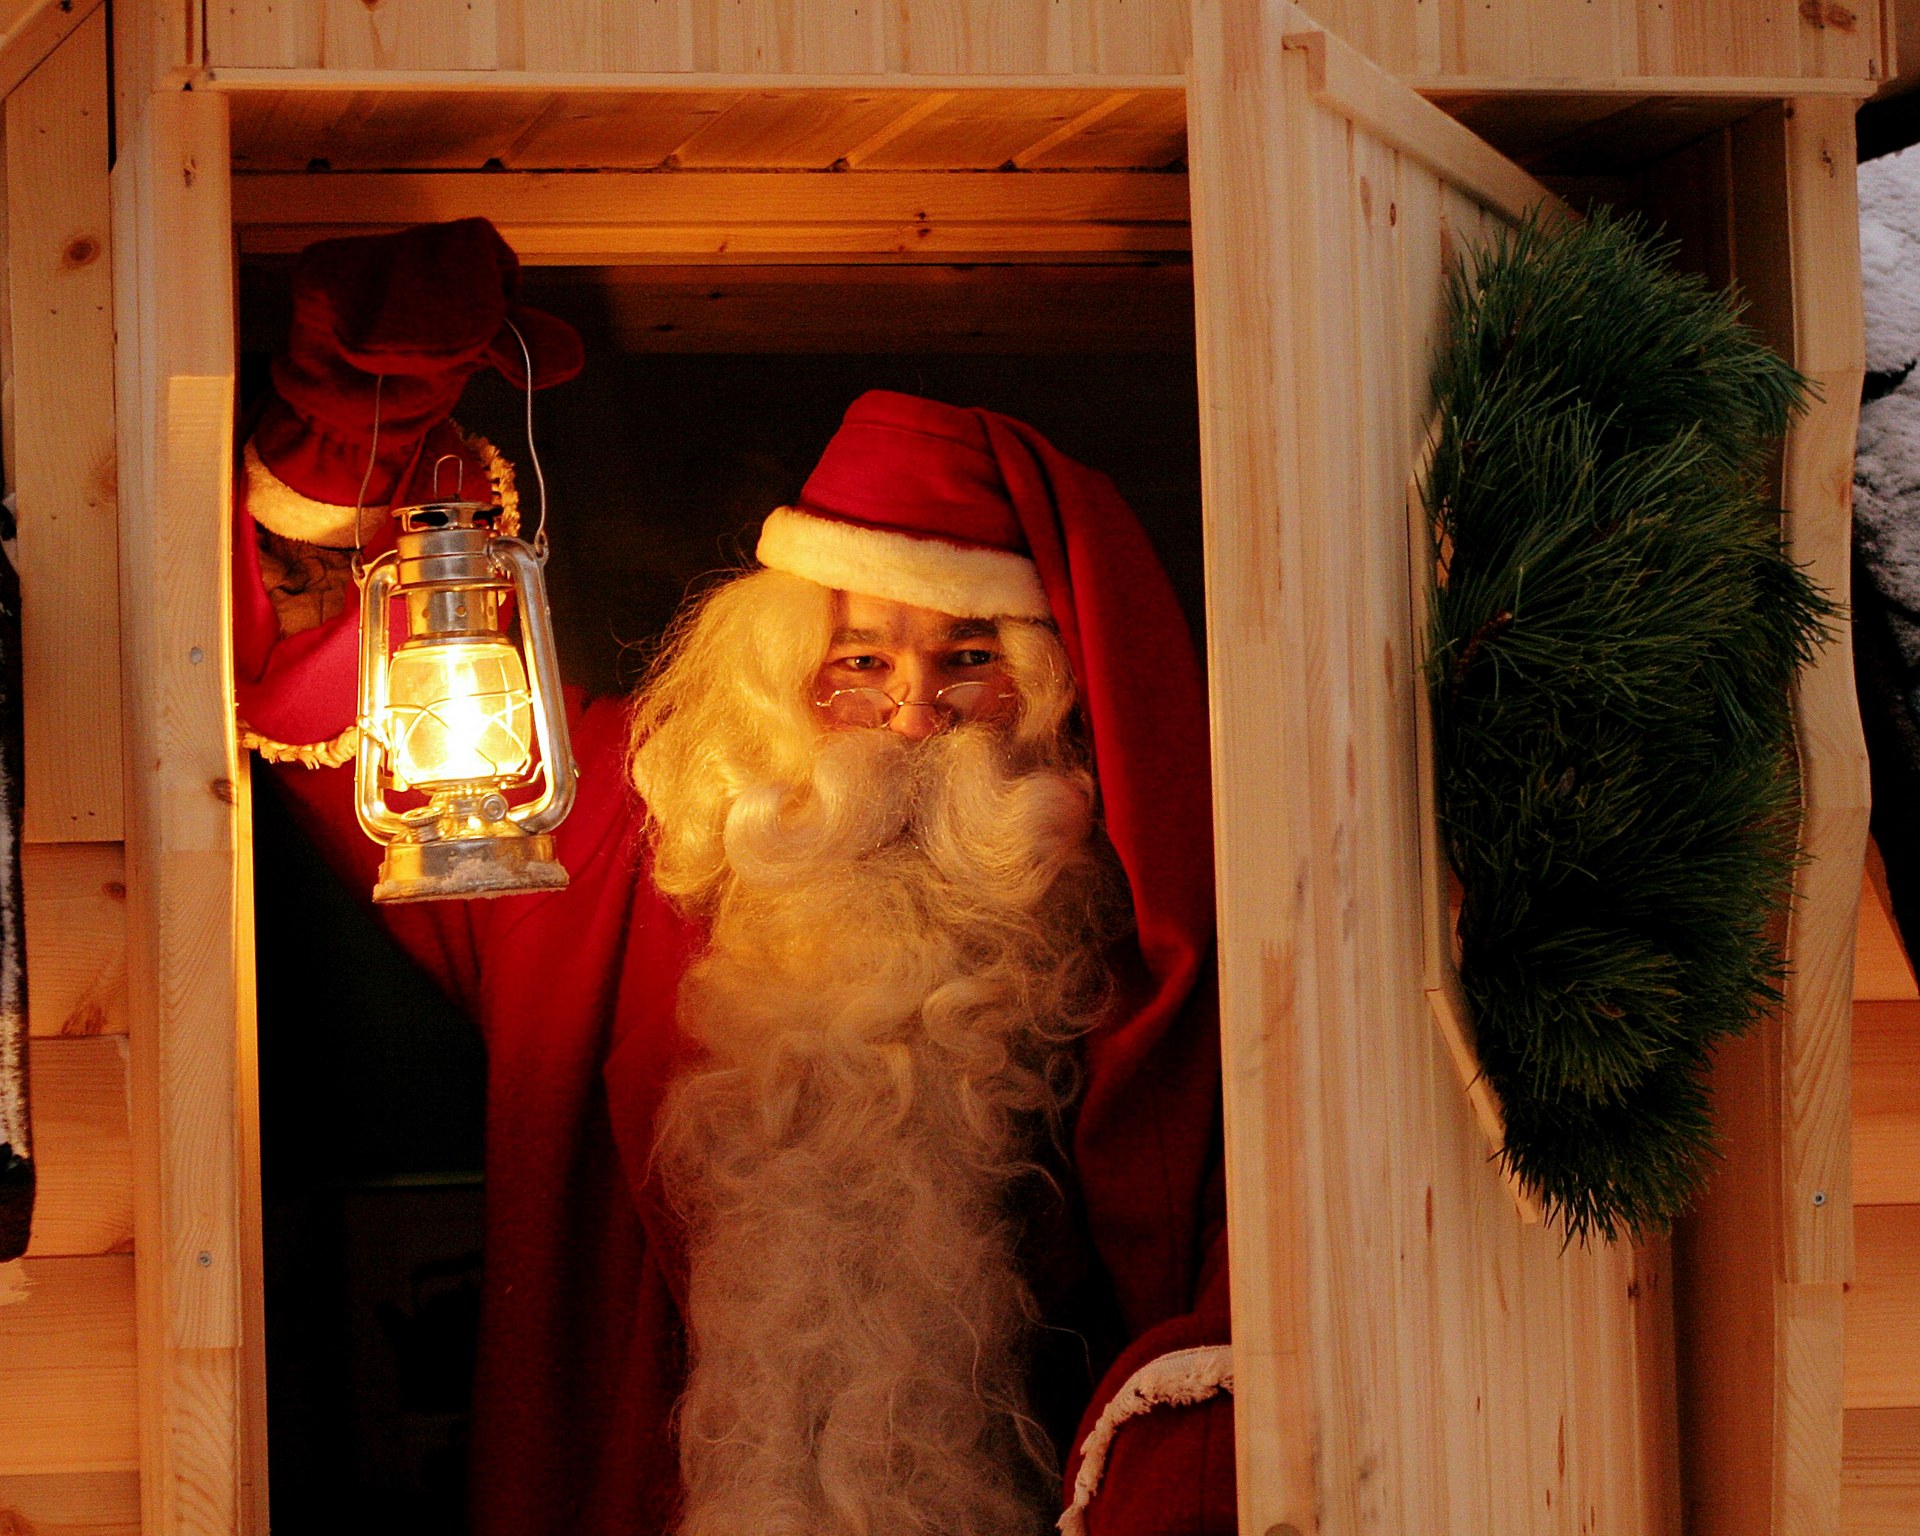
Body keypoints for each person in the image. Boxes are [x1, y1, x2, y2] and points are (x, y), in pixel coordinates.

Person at [235, 218, 1234, 1536]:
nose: (916, 715)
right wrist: (360, 425)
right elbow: (327, 672)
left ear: (1048, 692)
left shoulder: (1121, 956)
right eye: (861, 661)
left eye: (971, 661)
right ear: (780, 677)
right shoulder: (609, 848)